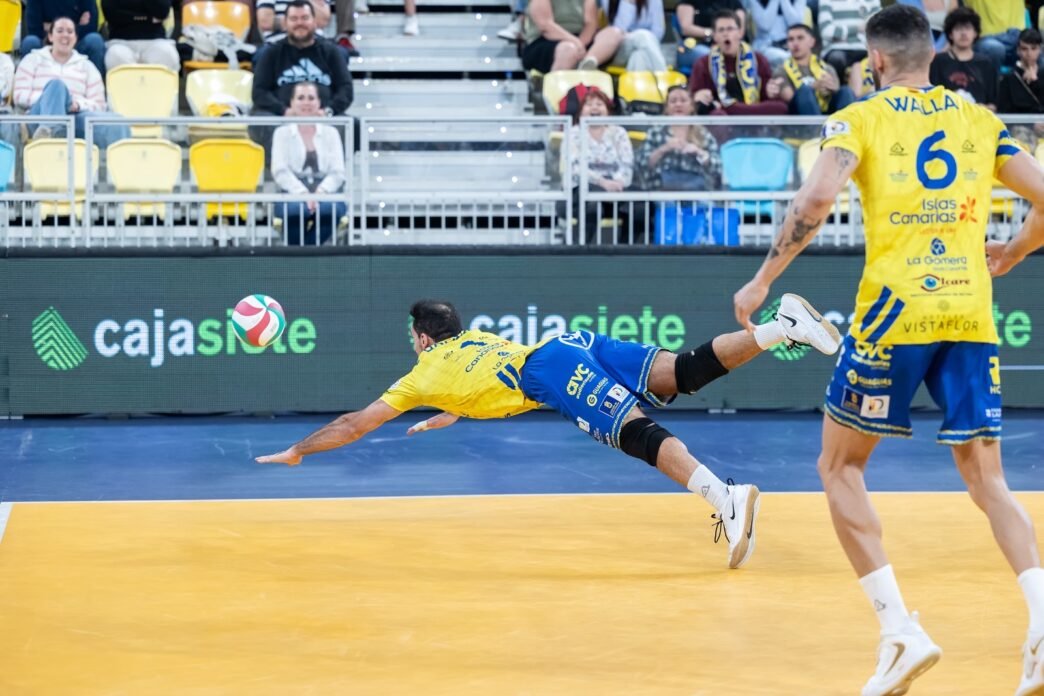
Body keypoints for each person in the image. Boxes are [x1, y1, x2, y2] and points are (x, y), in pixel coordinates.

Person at [733, 6, 1044, 696]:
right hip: (969, 311)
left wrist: (763, 279)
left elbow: (815, 200)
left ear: (874, 60)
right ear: (933, 53)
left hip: (895, 313)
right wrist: (1016, 251)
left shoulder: (861, 118)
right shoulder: (978, 119)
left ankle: (899, 631)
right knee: (987, 479)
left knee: (839, 466)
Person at [257, 296, 842, 572]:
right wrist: (452, 412)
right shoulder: (473, 342)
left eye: (413, 336)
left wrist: (298, 450)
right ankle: (779, 327)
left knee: (635, 434)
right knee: (681, 372)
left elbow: (353, 425)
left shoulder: (421, 375)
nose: (413, 344)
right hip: (569, 344)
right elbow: (479, 381)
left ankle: (726, 497)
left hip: (549, 370)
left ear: (424, 339)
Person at [13, 17, 130, 147]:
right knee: (56, 86)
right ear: (50, 36)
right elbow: (19, 96)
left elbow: (99, 104)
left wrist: (77, 104)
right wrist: (54, 99)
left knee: (118, 122)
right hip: (39, 117)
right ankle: (53, 133)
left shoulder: (87, 66)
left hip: (75, 117)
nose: (65, 35)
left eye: (70, 32)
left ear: (75, 38)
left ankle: (56, 134)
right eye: (60, 31)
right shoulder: (32, 60)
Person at [558, 84, 642, 243]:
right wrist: (602, 183)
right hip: (581, 190)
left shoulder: (619, 132)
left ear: (608, 111)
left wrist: (618, 182)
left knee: (640, 205)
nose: (594, 108)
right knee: (591, 202)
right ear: (581, 112)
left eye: (599, 104)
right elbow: (575, 167)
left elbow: (627, 163)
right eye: (589, 104)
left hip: (616, 188)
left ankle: (628, 250)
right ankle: (579, 251)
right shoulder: (573, 133)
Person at [271, 82, 348, 246]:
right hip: (292, 190)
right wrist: (303, 193)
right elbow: (280, 171)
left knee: (329, 210)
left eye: (311, 98)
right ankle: (304, 256)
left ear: (319, 103)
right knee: (295, 210)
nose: (306, 102)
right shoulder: (282, 133)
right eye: (300, 98)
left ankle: (301, 256)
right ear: (291, 103)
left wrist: (319, 193)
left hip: (326, 191)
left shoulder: (331, 133)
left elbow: (338, 172)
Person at [687, 10, 787, 116]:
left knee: (781, 108)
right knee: (717, 115)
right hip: (724, 118)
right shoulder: (703, 63)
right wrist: (698, 96)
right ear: (715, 36)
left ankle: (737, 111)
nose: (726, 34)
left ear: (740, 33)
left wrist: (771, 92)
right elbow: (698, 101)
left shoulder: (759, 60)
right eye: (721, 30)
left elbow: (767, 96)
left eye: (730, 29)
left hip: (748, 112)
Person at [635, 85, 722, 191]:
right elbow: (641, 164)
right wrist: (664, 148)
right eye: (673, 101)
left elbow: (718, 167)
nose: (678, 104)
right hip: (662, 190)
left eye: (683, 100)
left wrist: (699, 152)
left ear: (692, 107)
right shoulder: (655, 132)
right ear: (666, 108)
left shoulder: (703, 134)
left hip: (697, 191)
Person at [770, 22, 855, 115]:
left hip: (827, 111)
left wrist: (832, 88)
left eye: (800, 38)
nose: (795, 43)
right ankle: (816, 125)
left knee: (846, 91)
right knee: (804, 91)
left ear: (812, 42)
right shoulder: (781, 70)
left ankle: (845, 124)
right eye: (791, 39)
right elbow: (789, 97)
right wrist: (814, 87)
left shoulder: (827, 68)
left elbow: (839, 94)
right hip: (798, 116)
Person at [929, 7, 998, 111]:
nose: (963, 33)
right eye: (958, 29)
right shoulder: (938, 62)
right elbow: (931, 99)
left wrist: (977, 108)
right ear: (950, 34)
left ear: (975, 33)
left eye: (968, 28)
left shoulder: (986, 64)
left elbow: (994, 105)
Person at [576, 0, 667, 73]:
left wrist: (640, 40)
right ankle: (663, 75)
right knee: (643, 35)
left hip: (647, 45)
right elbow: (620, 28)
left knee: (639, 57)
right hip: (619, 46)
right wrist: (627, 2)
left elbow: (658, 31)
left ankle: (633, 91)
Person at [21, 0, 105, 75]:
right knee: (30, 42)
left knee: (95, 41)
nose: (64, 33)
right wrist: (73, 27)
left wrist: (53, 27)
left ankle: (95, 84)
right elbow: (34, 29)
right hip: (46, 43)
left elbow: (91, 27)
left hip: (76, 42)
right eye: (60, 30)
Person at [101, 0, 181, 73]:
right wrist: (149, 18)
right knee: (114, 56)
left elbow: (162, 11)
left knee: (168, 54)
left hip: (155, 40)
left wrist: (129, 14)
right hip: (120, 41)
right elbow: (111, 13)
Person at [520, 0, 598, 73]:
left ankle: (589, 62)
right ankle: (554, 81)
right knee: (568, 50)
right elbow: (545, 26)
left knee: (605, 36)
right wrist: (577, 43)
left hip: (582, 40)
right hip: (545, 41)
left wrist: (581, 45)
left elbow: (591, 23)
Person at [674, 0, 744, 73]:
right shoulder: (687, 2)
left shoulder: (734, 2)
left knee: (743, 54)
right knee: (713, 57)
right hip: (695, 45)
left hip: (728, 43)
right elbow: (686, 29)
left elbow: (740, 30)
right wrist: (714, 33)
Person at [817, 0, 879, 82]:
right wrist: (857, 29)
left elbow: (878, 28)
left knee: (880, 59)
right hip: (836, 50)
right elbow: (826, 31)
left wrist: (840, 36)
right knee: (836, 59)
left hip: (864, 49)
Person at [963, 0, 1028, 72]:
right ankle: (991, 79)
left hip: (1016, 36)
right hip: (985, 39)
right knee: (995, 49)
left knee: (1033, 47)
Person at [747, 0, 807, 67]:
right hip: (766, 46)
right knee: (788, 59)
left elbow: (796, 25)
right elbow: (765, 25)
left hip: (790, 46)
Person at [998, 29, 1044, 114]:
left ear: (1040, 50)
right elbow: (1004, 110)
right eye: (1024, 49)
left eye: (1033, 48)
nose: (1029, 53)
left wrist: (1035, 83)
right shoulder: (1008, 78)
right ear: (1018, 50)